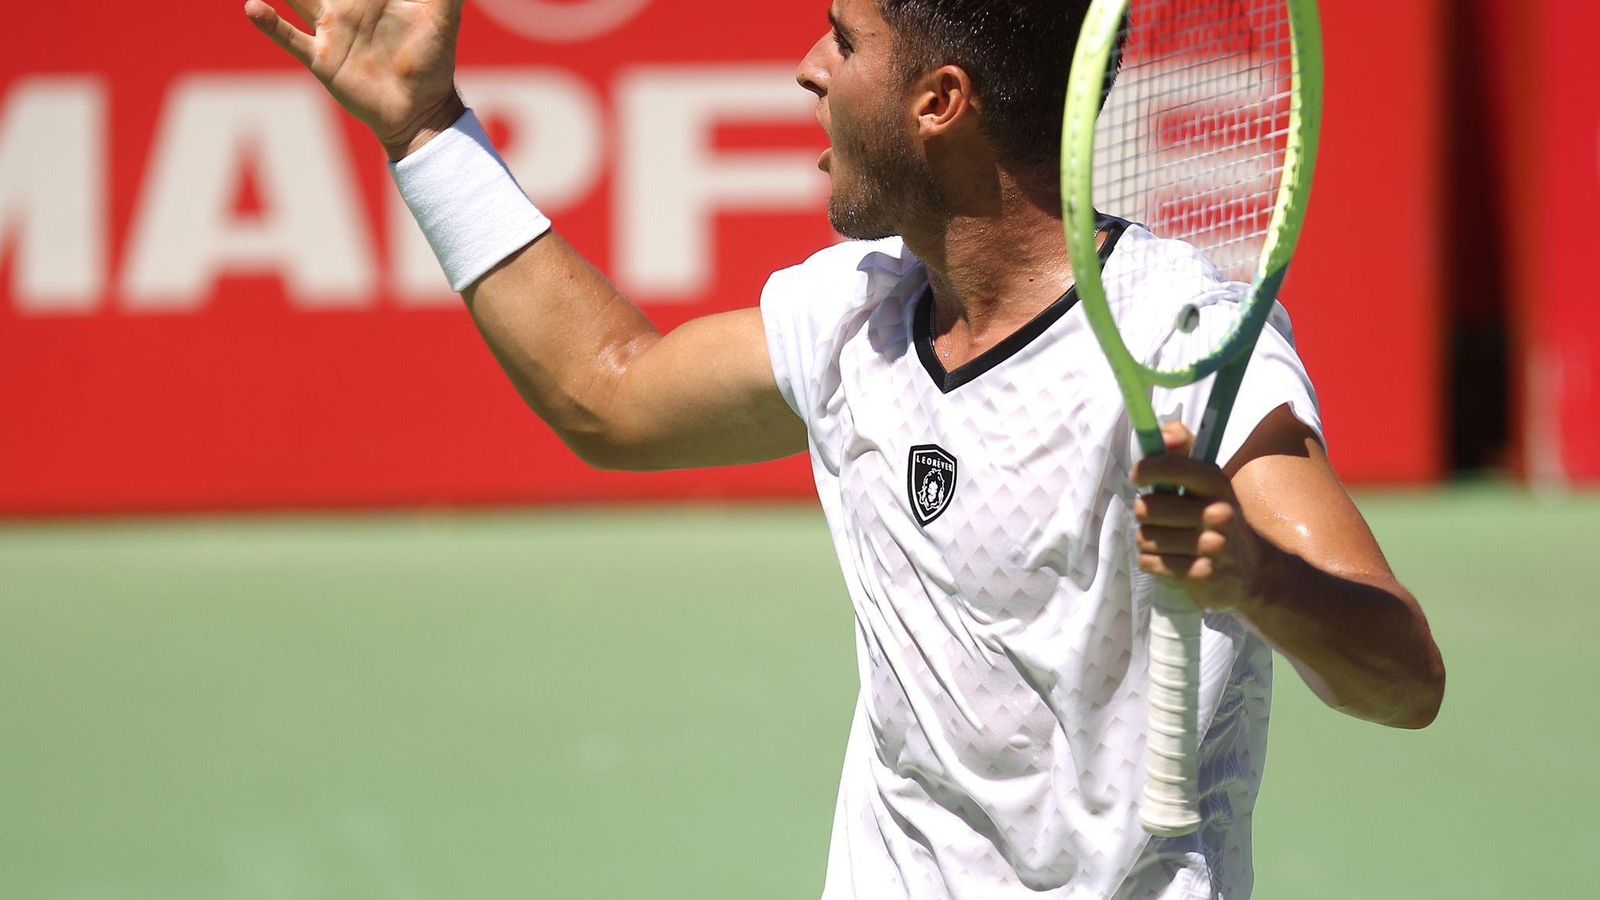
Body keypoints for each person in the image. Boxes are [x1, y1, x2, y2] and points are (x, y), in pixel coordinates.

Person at [244, 1, 1446, 897]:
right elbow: (605, 394)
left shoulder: (1180, 336)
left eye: (845, 37)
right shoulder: (852, 316)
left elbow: (1403, 680)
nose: (806, 67)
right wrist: (426, 130)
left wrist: (1258, 581)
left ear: (940, 102)